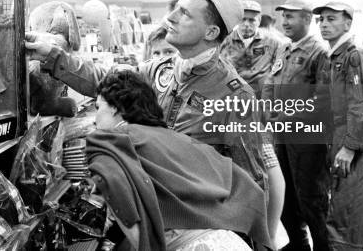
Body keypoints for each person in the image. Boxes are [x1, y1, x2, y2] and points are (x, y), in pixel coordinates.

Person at [26, 0, 270, 194]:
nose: (169, 18)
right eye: (176, 9)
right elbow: (105, 79)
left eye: (184, 13)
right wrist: (52, 54)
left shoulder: (236, 97)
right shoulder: (158, 69)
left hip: (195, 221)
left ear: (211, 32)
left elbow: (250, 181)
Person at [86, 70, 272, 250]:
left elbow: (121, 200)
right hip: (230, 242)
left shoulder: (109, 143)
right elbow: (247, 186)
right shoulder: (177, 139)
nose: (95, 120)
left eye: (98, 107)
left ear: (116, 107)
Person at [262, 0, 331, 251]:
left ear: (307, 19)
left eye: (290, 16)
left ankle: (324, 247)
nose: (284, 22)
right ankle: (299, 245)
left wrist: (288, 117)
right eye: (283, 16)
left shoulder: (319, 53)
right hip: (282, 137)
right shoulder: (285, 48)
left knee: (312, 200)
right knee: (285, 198)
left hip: (307, 140)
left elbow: (323, 99)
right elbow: (271, 80)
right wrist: (267, 109)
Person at [314, 1, 363, 251]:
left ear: (347, 23)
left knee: (345, 219)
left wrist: (350, 147)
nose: (324, 24)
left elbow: (361, 104)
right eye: (321, 20)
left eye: (331, 19)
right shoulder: (336, 56)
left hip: (358, 144)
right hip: (344, 138)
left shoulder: (355, 55)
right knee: (358, 219)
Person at [220, 0, 286, 244]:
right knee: (235, 177)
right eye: (243, 19)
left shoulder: (274, 44)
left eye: (253, 20)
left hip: (260, 117)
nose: (247, 24)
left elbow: (277, 79)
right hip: (227, 117)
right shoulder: (223, 42)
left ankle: (268, 235)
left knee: (266, 170)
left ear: (259, 21)